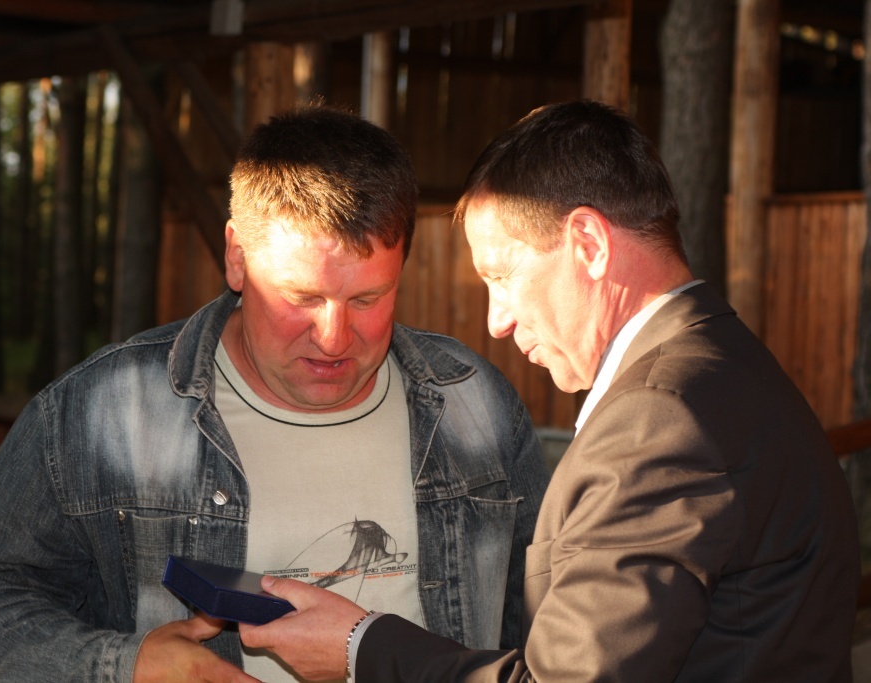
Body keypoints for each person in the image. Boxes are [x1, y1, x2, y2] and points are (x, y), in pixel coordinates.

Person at [239, 100, 862, 682]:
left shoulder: (660, 419)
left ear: (588, 244)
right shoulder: (726, 367)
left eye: (501, 275)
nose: (497, 320)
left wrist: (360, 644)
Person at [0, 104, 551, 682]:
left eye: (368, 298)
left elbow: (548, 630)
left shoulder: (476, 407)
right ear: (235, 257)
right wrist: (125, 668)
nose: (334, 337)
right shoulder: (105, 412)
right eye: (301, 297)